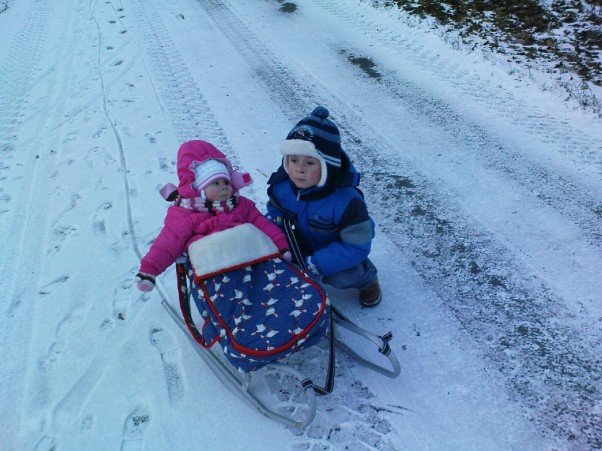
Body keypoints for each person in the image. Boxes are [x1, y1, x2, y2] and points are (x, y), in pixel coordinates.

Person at [135, 140, 291, 292]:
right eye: (215, 183)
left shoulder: (241, 205)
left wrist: (281, 246)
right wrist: (149, 270)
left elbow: (262, 224)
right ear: (199, 189)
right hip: (215, 272)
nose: (223, 187)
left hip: (251, 260)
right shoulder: (186, 214)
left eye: (226, 181)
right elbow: (168, 242)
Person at [266, 106, 381, 307]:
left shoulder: (347, 201)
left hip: (334, 248)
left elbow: (356, 245)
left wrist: (316, 264)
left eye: (310, 163)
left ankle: (366, 278)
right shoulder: (282, 186)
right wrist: (274, 237)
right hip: (298, 242)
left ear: (328, 166)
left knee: (341, 276)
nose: (299, 169)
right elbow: (274, 211)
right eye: (293, 160)